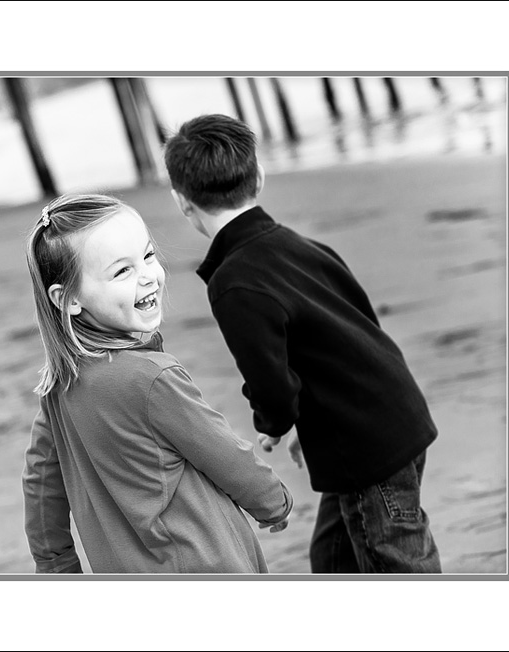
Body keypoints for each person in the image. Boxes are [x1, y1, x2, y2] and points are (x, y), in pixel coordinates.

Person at [163, 114, 441, 573]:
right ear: (260, 176)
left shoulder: (235, 283)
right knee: (334, 559)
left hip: (364, 445)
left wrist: (277, 423)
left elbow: (271, 383)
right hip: (394, 413)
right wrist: (307, 426)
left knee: (397, 562)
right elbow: (359, 326)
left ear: (182, 202)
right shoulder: (300, 245)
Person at [22, 193, 293, 574]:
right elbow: (221, 451)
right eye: (122, 271)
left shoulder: (60, 387)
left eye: (148, 256)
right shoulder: (151, 379)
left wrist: (55, 564)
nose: (148, 275)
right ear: (68, 299)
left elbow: (41, 484)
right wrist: (272, 501)